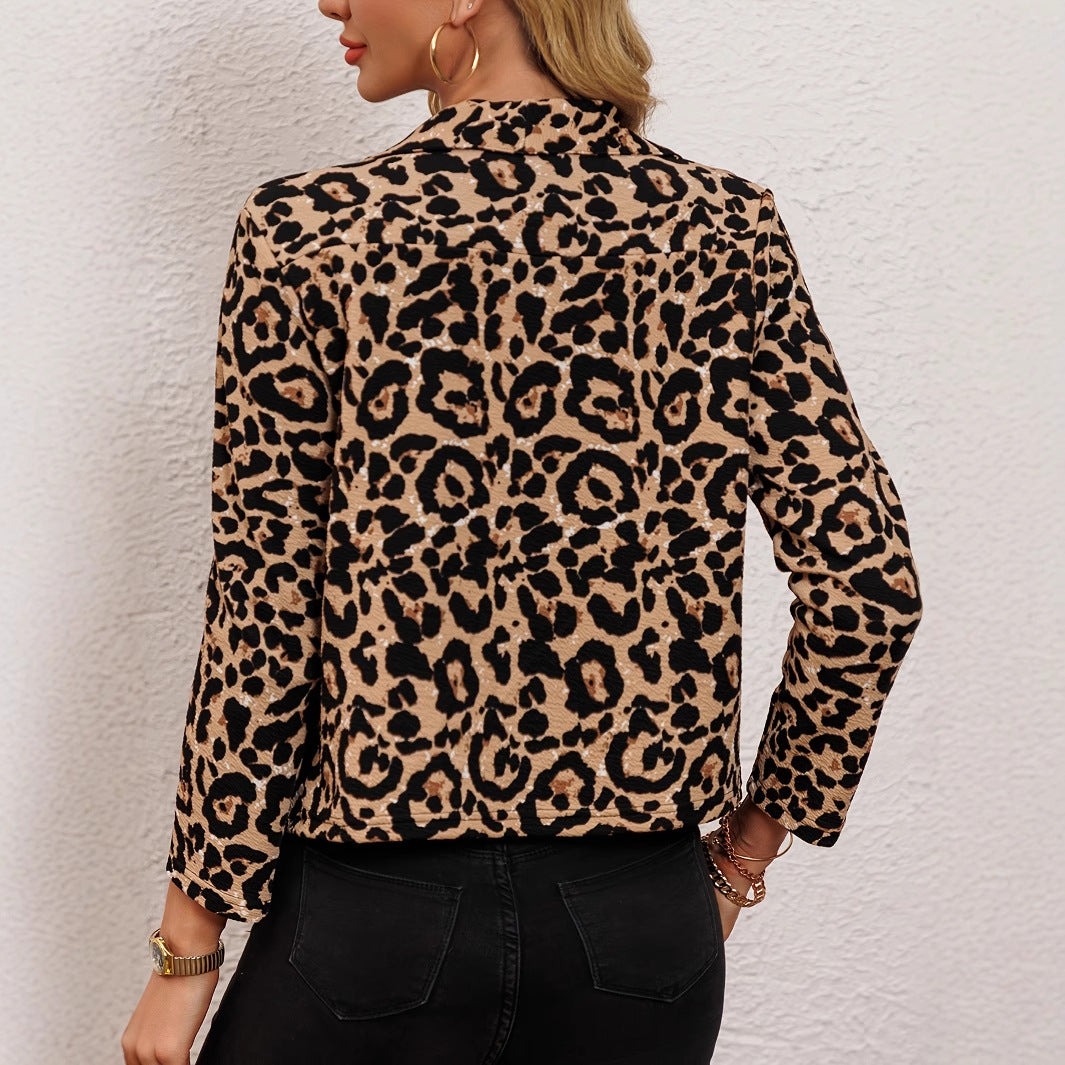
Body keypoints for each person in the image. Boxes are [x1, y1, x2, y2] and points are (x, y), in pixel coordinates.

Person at [122, 1, 924, 1062]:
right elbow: (868, 585)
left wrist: (186, 951)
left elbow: (264, 618)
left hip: (376, 925)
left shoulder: (308, 233)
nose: (330, 3)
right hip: (636, 933)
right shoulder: (722, 230)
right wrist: (742, 855)